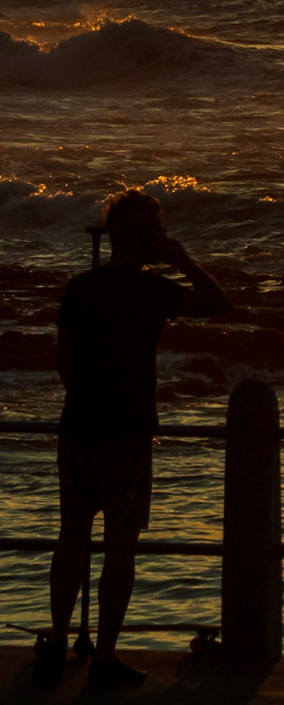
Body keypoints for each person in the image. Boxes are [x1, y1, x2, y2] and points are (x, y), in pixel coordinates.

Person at [39, 189, 231, 689]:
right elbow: (219, 304)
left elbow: (64, 361)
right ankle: (104, 656)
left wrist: (85, 397)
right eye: (157, 232)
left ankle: (58, 641)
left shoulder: (79, 288)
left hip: (79, 426)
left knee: (72, 536)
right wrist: (183, 259)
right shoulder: (152, 291)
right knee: (120, 547)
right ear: (145, 239)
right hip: (127, 433)